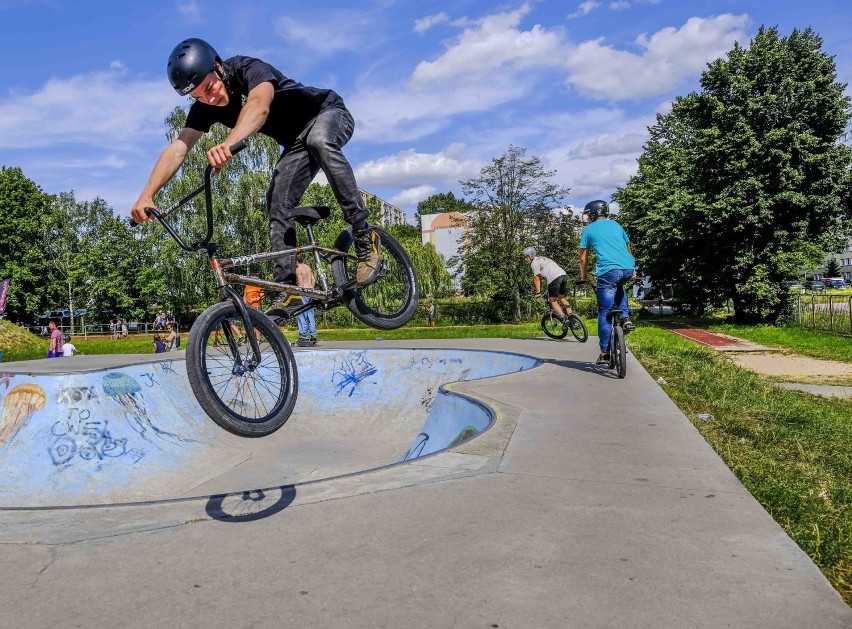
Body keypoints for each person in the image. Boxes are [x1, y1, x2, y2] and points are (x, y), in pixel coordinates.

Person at [130, 38, 381, 321]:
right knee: (277, 201)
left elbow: (260, 105)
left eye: (210, 88)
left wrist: (229, 143)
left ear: (218, 66)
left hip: (329, 113)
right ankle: (288, 287)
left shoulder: (248, 69)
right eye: (198, 96)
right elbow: (179, 148)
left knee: (320, 140)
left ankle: (363, 234)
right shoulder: (205, 106)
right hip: (297, 145)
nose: (209, 98)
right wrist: (147, 194)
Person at [579, 200, 636, 365]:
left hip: (608, 271)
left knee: (604, 312)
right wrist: (633, 269)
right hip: (627, 267)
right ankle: (625, 318)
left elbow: (583, 258)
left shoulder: (588, 230)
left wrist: (584, 277)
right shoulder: (617, 225)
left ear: (594, 214)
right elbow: (628, 247)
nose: (587, 217)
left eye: (588, 214)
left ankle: (604, 352)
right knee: (618, 285)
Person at [521, 247, 574, 326]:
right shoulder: (543, 258)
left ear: (531, 255)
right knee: (562, 298)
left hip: (554, 278)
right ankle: (572, 318)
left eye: (526, 257)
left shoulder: (534, 263)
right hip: (563, 275)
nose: (525, 259)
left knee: (553, 301)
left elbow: (536, 279)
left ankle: (564, 319)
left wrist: (538, 292)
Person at [295, 258, 317, 345]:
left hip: (303, 292)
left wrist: (299, 295)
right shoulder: (308, 267)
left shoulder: (298, 269)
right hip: (310, 291)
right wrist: (311, 289)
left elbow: (300, 285)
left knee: (300, 313)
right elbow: (313, 280)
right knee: (310, 314)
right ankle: (313, 335)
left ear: (297, 261)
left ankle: (303, 335)